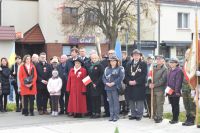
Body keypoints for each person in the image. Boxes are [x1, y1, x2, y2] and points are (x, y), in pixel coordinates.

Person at [124, 49, 147, 121]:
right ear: (132, 56)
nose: (136, 56)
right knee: (131, 100)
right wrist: (128, 81)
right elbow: (126, 75)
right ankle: (133, 114)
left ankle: (139, 114)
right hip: (130, 85)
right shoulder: (128, 64)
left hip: (139, 85)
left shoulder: (143, 64)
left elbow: (144, 75)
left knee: (139, 100)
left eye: (138, 55)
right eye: (134, 55)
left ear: (140, 56)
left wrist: (136, 81)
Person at [102, 55, 124, 122]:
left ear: (117, 61)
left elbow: (121, 77)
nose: (112, 62)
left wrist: (113, 83)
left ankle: (116, 116)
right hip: (108, 88)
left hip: (115, 87)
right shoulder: (107, 69)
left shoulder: (120, 68)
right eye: (111, 61)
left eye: (114, 61)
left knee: (116, 102)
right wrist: (106, 83)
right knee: (110, 102)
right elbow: (103, 78)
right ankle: (111, 116)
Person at [149, 55, 168, 123]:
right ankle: (154, 115)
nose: (158, 60)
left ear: (163, 60)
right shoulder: (153, 67)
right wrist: (150, 83)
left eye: (160, 59)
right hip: (153, 89)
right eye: (157, 59)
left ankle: (159, 117)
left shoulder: (165, 69)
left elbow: (163, 80)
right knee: (154, 103)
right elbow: (150, 76)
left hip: (160, 89)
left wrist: (154, 85)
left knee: (159, 104)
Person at [181, 49, 196, 126]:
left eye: (188, 54)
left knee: (191, 104)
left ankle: (192, 119)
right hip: (184, 87)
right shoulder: (185, 63)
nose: (186, 55)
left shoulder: (193, 64)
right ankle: (188, 118)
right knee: (186, 103)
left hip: (191, 87)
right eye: (186, 53)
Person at [167, 57, 183, 124]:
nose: (171, 64)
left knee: (175, 105)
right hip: (170, 90)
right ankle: (173, 118)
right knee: (172, 105)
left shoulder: (179, 70)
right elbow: (168, 80)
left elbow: (178, 82)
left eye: (173, 62)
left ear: (177, 63)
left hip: (175, 91)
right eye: (170, 62)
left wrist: (176, 91)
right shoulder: (170, 70)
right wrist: (167, 90)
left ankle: (175, 119)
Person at [87, 53, 104, 118]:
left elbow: (101, 75)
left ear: (98, 58)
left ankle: (98, 113)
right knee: (92, 99)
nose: (94, 59)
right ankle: (93, 112)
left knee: (97, 99)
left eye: (95, 58)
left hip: (97, 85)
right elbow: (89, 75)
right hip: (91, 85)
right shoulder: (91, 66)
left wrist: (96, 83)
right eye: (92, 58)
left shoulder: (100, 65)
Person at [101, 49, 116, 117]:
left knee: (114, 99)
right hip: (106, 84)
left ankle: (115, 112)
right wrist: (106, 82)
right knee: (106, 98)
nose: (111, 54)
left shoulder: (118, 61)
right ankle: (107, 112)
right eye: (109, 53)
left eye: (112, 53)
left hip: (115, 84)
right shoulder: (103, 62)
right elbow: (102, 73)